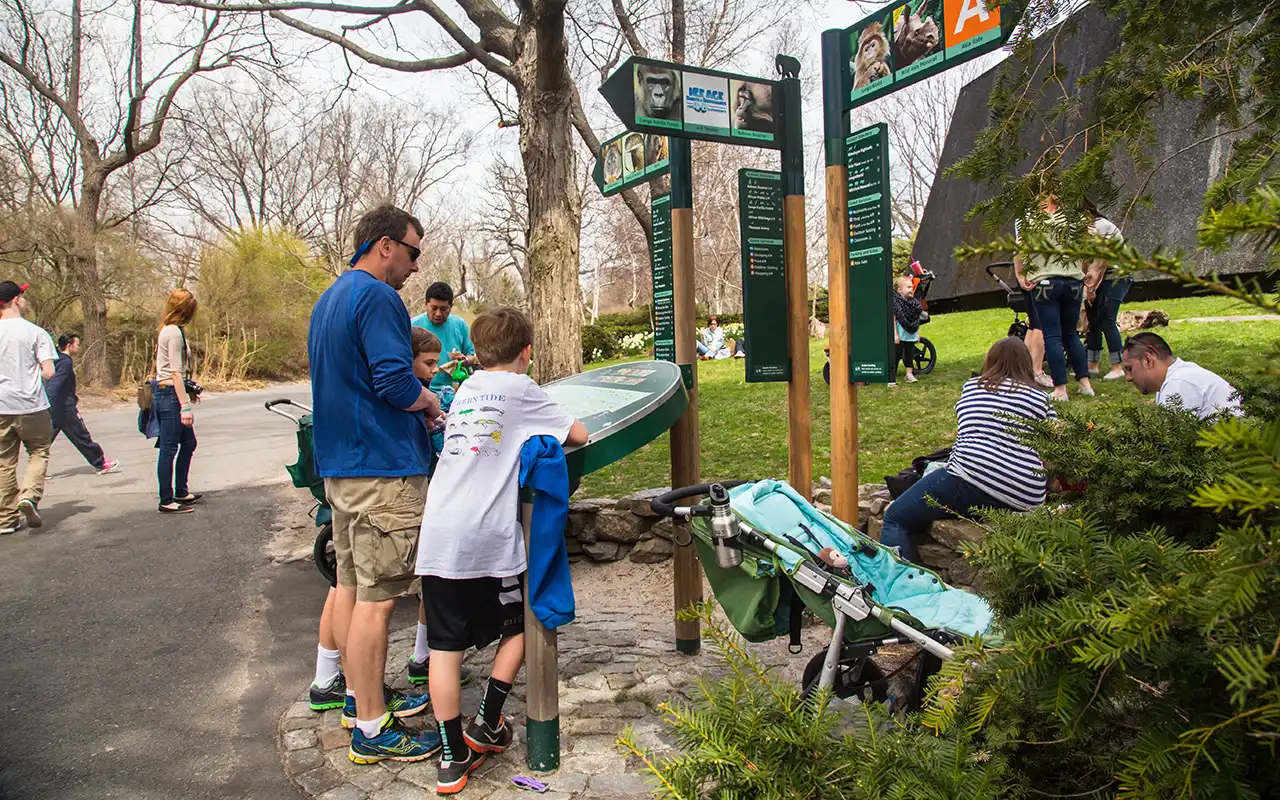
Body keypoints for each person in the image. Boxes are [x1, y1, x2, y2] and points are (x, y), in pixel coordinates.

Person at [417, 307, 588, 795]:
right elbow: (579, 435)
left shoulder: (468, 387)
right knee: (519, 626)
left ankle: (452, 759)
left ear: (479, 350)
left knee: (444, 650)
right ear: (526, 353)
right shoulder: (524, 390)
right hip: (485, 537)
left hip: (439, 534)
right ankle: (488, 721)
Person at [309, 204, 443, 764]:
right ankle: (371, 728)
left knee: (347, 585)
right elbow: (392, 379)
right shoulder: (378, 296)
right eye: (413, 253)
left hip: (341, 468)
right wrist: (430, 400)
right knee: (378, 600)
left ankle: (357, 698)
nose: (415, 268)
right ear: (385, 245)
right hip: (382, 471)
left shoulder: (330, 298)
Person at [879, 337, 1055, 562]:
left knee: (896, 517)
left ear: (990, 361)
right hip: (1025, 493)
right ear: (1026, 364)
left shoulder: (973, 387)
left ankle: (901, 585)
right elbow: (1052, 449)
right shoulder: (1042, 398)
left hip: (969, 478)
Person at [1014, 194, 1095, 401]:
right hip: (1073, 281)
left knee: (1052, 336)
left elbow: (1020, 249)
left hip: (1045, 282)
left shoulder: (1032, 220)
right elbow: (1090, 247)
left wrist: (1021, 275)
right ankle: (1085, 383)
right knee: (1071, 334)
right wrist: (1082, 270)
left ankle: (1060, 389)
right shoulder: (1075, 219)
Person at [0, 281, 57, 533]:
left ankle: (6, 520)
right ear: (16, 300)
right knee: (39, 450)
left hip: (1, 406)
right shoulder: (35, 332)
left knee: (4, 462)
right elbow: (49, 371)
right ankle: (29, 496)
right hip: (32, 404)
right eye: (22, 295)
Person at [154, 289, 203, 514]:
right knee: (169, 448)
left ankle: (181, 491)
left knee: (189, 443)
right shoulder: (172, 332)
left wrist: (188, 389)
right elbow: (174, 371)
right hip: (169, 395)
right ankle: (166, 498)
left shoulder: (170, 330)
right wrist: (184, 406)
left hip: (172, 391)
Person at [1120, 332, 1242, 419]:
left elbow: (1176, 447)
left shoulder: (1179, 384)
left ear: (1147, 360)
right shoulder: (1178, 378)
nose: (1128, 378)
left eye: (1130, 369)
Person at [46, 333, 119, 475]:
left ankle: (37, 470)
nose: (79, 347)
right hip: (65, 408)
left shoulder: (57, 360)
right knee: (81, 435)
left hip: (56, 407)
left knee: (45, 440)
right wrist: (50, 401)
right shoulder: (65, 362)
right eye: (77, 345)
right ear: (69, 345)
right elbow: (54, 384)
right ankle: (100, 463)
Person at [1083, 201, 1129, 380]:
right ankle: (1092, 364)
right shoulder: (1082, 230)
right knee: (1093, 321)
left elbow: (1101, 261)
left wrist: (1091, 287)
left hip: (1115, 275)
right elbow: (1084, 259)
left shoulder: (1101, 226)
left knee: (1107, 320)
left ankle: (1118, 367)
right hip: (1096, 277)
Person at [411, 283, 476, 392]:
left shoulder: (459, 324)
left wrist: (464, 360)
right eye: (434, 308)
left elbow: (472, 356)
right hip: (422, 390)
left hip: (454, 390)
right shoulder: (413, 325)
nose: (438, 314)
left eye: (443, 309)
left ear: (451, 306)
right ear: (425, 304)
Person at [890, 275, 922, 386]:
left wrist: (917, 333)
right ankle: (891, 376)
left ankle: (909, 374)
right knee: (896, 355)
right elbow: (893, 319)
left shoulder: (914, 304)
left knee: (909, 354)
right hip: (900, 334)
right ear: (900, 290)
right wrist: (895, 334)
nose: (911, 289)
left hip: (911, 334)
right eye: (908, 287)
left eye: (912, 287)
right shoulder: (896, 303)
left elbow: (916, 320)